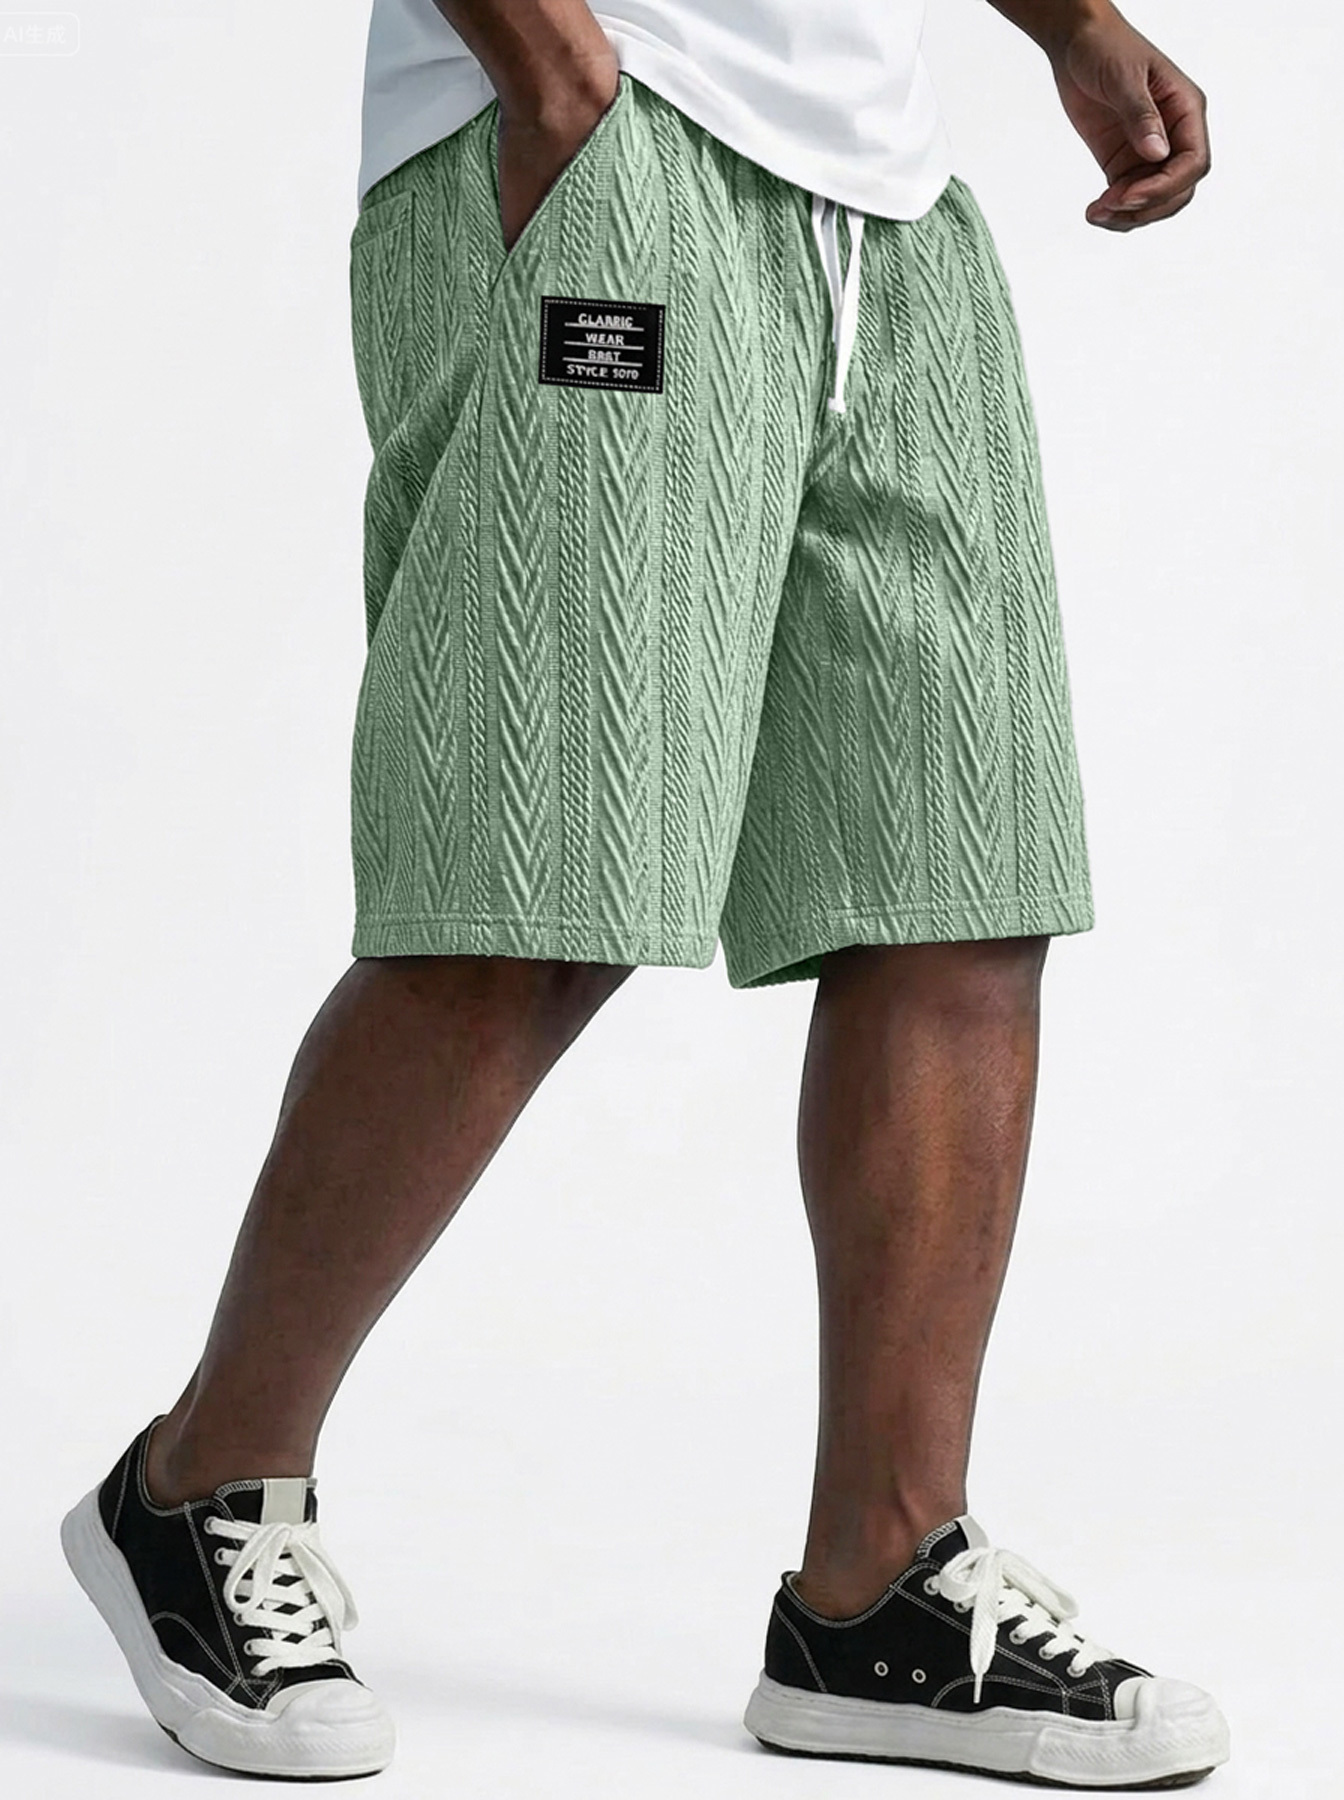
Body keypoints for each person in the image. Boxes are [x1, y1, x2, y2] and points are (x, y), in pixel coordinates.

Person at [60, 0, 1222, 1785]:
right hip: (607, 144)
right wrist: (552, 80)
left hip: (886, 209)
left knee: (956, 888)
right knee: (535, 876)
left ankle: (881, 1593)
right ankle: (200, 1488)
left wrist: (1069, 23)